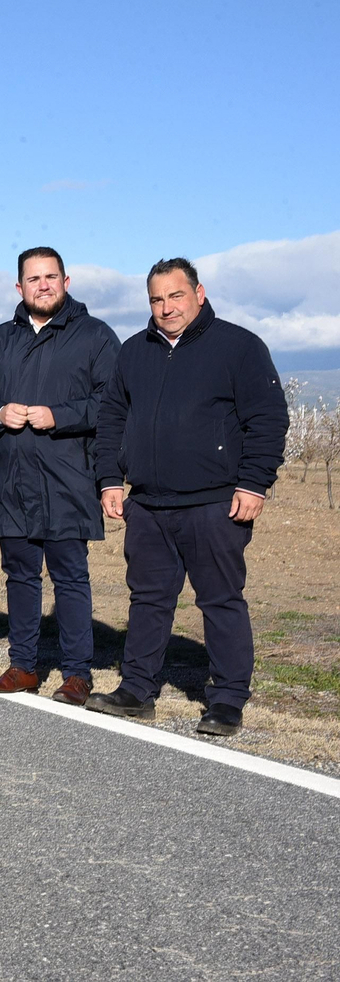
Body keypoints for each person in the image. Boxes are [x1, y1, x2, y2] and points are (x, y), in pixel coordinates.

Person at [88, 258, 287, 736]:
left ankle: (227, 700)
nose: (166, 307)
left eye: (176, 296)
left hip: (216, 503)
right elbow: (112, 417)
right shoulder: (134, 351)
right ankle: (137, 690)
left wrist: (253, 483)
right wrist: (110, 479)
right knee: (149, 600)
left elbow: (267, 418)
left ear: (199, 293)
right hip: (150, 503)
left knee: (220, 600)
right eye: (157, 299)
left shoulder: (239, 347)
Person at [0, 246, 119, 705]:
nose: (43, 285)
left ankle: (76, 673)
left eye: (51, 277)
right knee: (20, 576)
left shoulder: (94, 336)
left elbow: (113, 402)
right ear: (19, 287)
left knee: (71, 577)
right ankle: (24, 666)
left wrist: (61, 416)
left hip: (68, 479)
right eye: (34, 279)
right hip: (12, 480)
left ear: (66, 282)